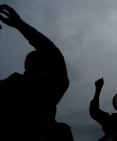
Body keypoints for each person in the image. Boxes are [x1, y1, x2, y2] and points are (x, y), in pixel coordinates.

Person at [0, 4, 72, 141]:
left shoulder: (51, 82)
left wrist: (20, 24)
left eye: (39, 56)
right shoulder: (12, 82)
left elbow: (53, 54)